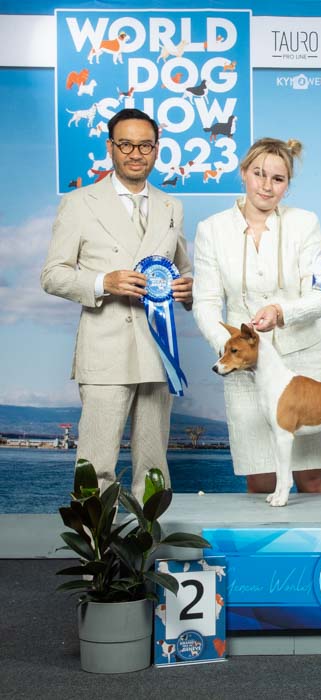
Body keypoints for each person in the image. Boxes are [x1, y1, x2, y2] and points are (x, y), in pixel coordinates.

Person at [41, 108, 192, 502]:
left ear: (156, 149)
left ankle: (148, 540)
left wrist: (189, 290)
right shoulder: (79, 203)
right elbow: (52, 275)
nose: (135, 153)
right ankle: (94, 543)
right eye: (126, 144)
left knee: (154, 466)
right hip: (105, 350)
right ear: (110, 147)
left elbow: (184, 270)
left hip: (157, 351)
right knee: (96, 465)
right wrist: (102, 282)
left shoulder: (171, 207)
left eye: (144, 145)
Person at [192, 137, 321, 495]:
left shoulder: (306, 223)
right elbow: (205, 303)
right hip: (245, 368)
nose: (266, 186)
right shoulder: (211, 229)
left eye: (278, 178)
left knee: (312, 476)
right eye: (258, 174)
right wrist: (230, 350)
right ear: (243, 173)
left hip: (305, 363)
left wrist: (281, 311)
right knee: (260, 476)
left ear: (287, 184)